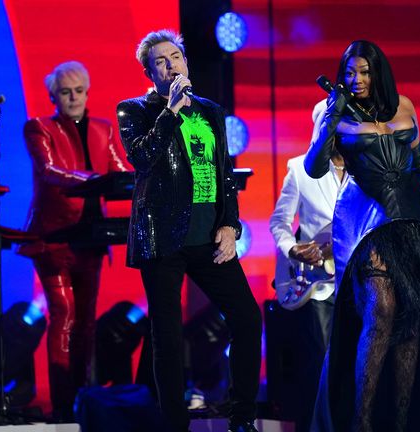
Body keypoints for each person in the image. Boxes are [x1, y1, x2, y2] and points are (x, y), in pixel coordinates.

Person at [304, 40, 420, 431]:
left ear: (378, 72)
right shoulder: (331, 111)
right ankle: (361, 420)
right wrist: (331, 120)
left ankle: (405, 423)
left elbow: (419, 163)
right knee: (381, 308)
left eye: (365, 72)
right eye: (350, 72)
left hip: (414, 221)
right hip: (368, 223)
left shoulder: (404, 106)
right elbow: (315, 166)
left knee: (411, 321)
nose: (357, 79)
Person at [116, 29, 262, 432]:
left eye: (176, 57)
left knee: (247, 318)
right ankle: (174, 424)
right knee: (165, 334)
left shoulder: (211, 111)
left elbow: (225, 174)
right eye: (161, 61)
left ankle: (243, 416)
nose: (171, 65)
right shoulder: (134, 110)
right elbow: (142, 158)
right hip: (163, 238)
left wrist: (231, 223)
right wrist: (171, 112)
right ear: (150, 73)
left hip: (209, 234)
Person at [19, 60, 129, 421]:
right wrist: (95, 181)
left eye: (79, 91)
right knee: (63, 315)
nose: (73, 98)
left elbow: (119, 171)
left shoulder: (103, 128)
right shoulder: (38, 127)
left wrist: (148, 179)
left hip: (92, 238)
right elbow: (49, 170)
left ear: (87, 92)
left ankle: (81, 400)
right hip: (54, 238)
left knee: (86, 321)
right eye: (65, 92)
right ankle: (64, 404)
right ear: (53, 96)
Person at [268, 109, 343, 432]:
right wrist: (294, 249)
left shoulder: (366, 172)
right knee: (321, 366)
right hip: (316, 285)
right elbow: (279, 223)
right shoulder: (300, 170)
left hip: (356, 283)